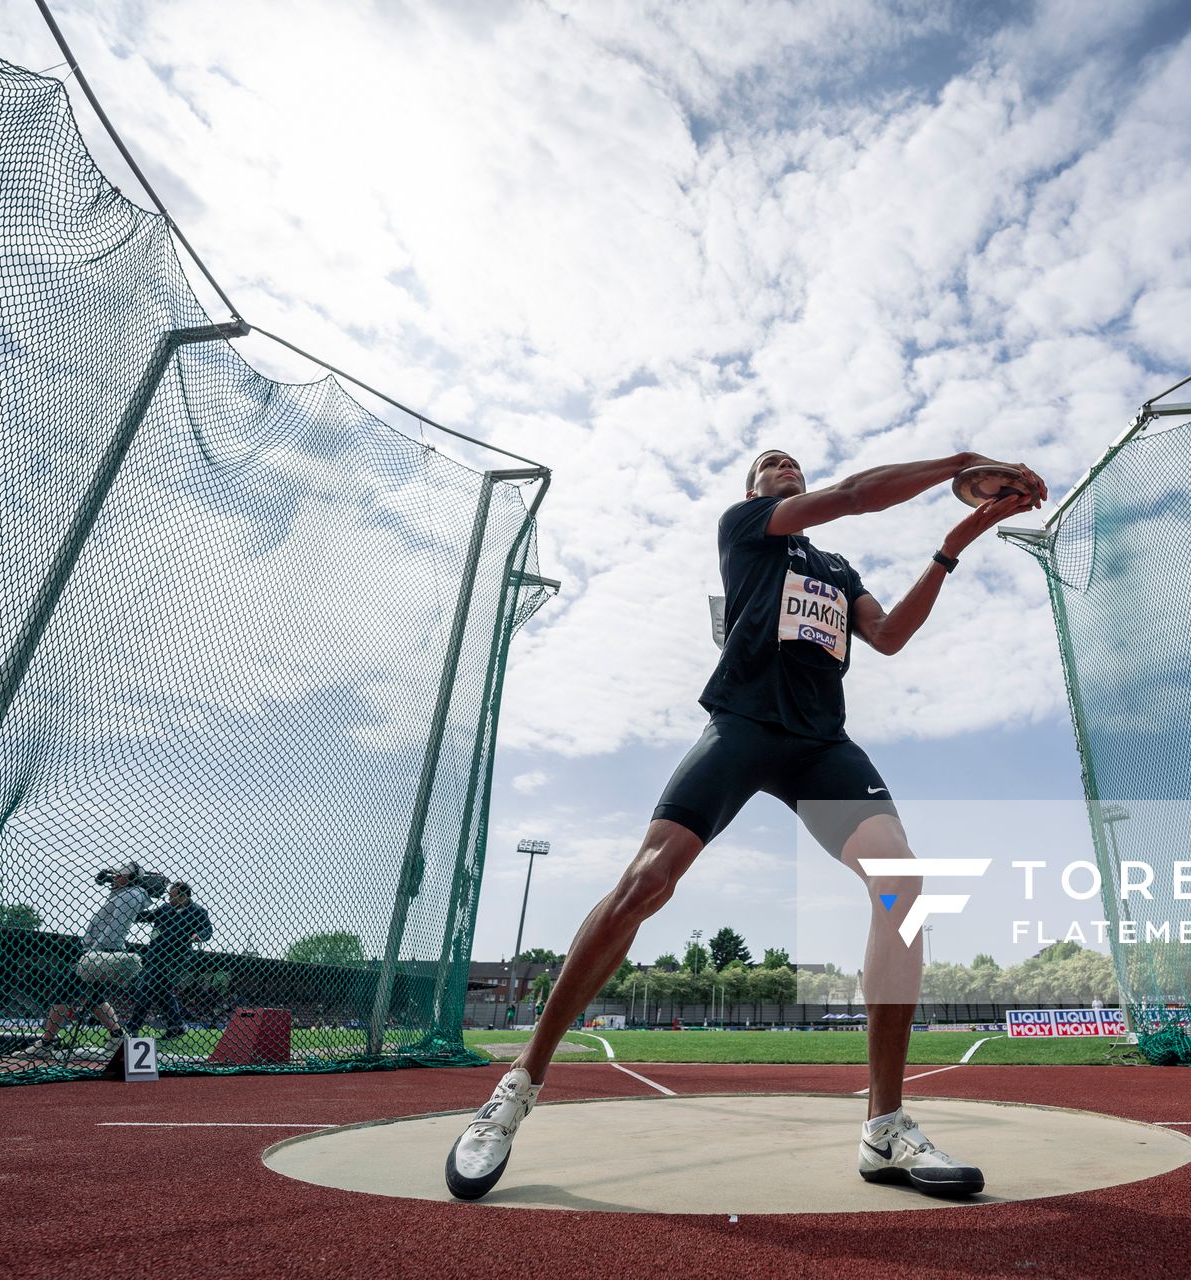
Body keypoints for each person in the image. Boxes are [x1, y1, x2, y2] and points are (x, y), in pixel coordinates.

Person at [446, 447, 1044, 1201]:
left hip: (820, 745)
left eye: (793, 462)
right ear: (754, 488)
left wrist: (952, 548)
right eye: (772, 463)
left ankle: (884, 1129)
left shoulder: (836, 570)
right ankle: (517, 1086)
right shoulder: (747, 527)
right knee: (645, 884)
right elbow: (857, 494)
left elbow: (887, 636)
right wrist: (961, 461)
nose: (785, 467)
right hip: (742, 726)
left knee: (901, 882)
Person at [16, 862, 155, 1061]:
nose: (115, 876)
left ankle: (46, 1043)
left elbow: (115, 927)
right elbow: (106, 882)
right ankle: (118, 1037)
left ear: (130, 880)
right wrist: (108, 877)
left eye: (120, 874)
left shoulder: (129, 895)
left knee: (63, 991)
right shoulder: (127, 892)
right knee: (95, 999)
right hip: (104, 950)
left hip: (102, 951)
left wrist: (92, 952)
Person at [127, 880, 212, 1040]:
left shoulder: (198, 911)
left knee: (146, 988)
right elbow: (148, 916)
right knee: (161, 992)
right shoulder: (165, 908)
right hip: (155, 954)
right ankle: (176, 1025)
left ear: (183, 896)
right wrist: (130, 910)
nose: (168, 899)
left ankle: (133, 1027)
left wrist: (199, 935)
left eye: (172, 896)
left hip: (176, 958)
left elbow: (207, 929)